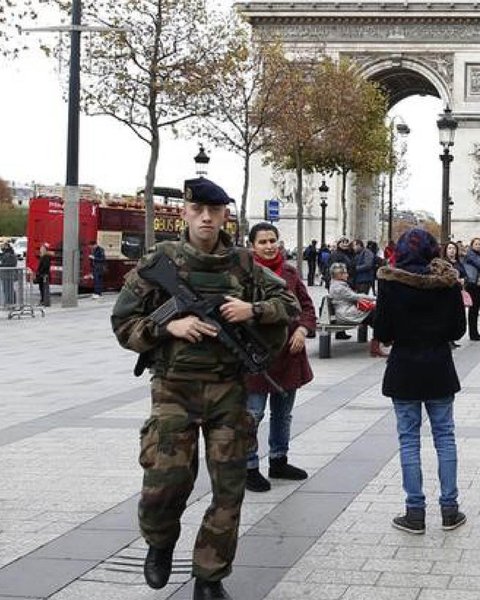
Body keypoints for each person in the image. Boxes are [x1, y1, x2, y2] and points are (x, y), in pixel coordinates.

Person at [111, 178, 298, 599]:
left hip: (227, 390)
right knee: (165, 484)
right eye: (199, 210)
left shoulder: (245, 265)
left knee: (229, 490)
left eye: (216, 211)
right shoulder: (161, 261)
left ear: (226, 215)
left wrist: (254, 308)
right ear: (186, 212)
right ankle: (159, 544)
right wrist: (167, 324)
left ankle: (209, 577)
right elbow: (123, 323)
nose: (207, 218)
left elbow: (289, 305)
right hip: (173, 389)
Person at [374, 228, 467, 534]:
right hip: (439, 368)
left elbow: (383, 333)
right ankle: (450, 510)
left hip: (404, 370)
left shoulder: (390, 283)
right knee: (445, 438)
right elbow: (456, 331)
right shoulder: (448, 283)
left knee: (409, 440)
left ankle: (415, 512)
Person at [244, 222, 316, 493]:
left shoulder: (290, 272)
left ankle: (278, 460)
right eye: (262, 241)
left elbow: (307, 307)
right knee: (253, 414)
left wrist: (302, 329)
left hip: (289, 355)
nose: (268, 245)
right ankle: (249, 466)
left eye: (272, 240)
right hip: (255, 357)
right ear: (252, 245)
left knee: (282, 415)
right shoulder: (243, 274)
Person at [328, 263, 387, 357]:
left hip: (347, 312)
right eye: (345, 273)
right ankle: (380, 342)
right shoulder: (339, 287)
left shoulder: (338, 285)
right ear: (338, 275)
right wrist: (374, 298)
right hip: (346, 314)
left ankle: (381, 340)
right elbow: (356, 296)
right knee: (376, 314)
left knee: (375, 316)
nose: (347, 275)